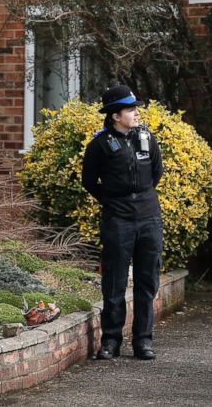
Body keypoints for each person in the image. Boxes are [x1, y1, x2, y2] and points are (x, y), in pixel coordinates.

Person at [81, 84, 163, 361]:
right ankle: (111, 342)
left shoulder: (147, 138)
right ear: (115, 115)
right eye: (130, 109)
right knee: (115, 281)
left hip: (149, 218)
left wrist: (140, 199)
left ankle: (143, 341)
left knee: (147, 281)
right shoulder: (100, 145)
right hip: (118, 220)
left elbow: (156, 173)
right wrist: (113, 200)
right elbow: (89, 181)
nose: (136, 113)